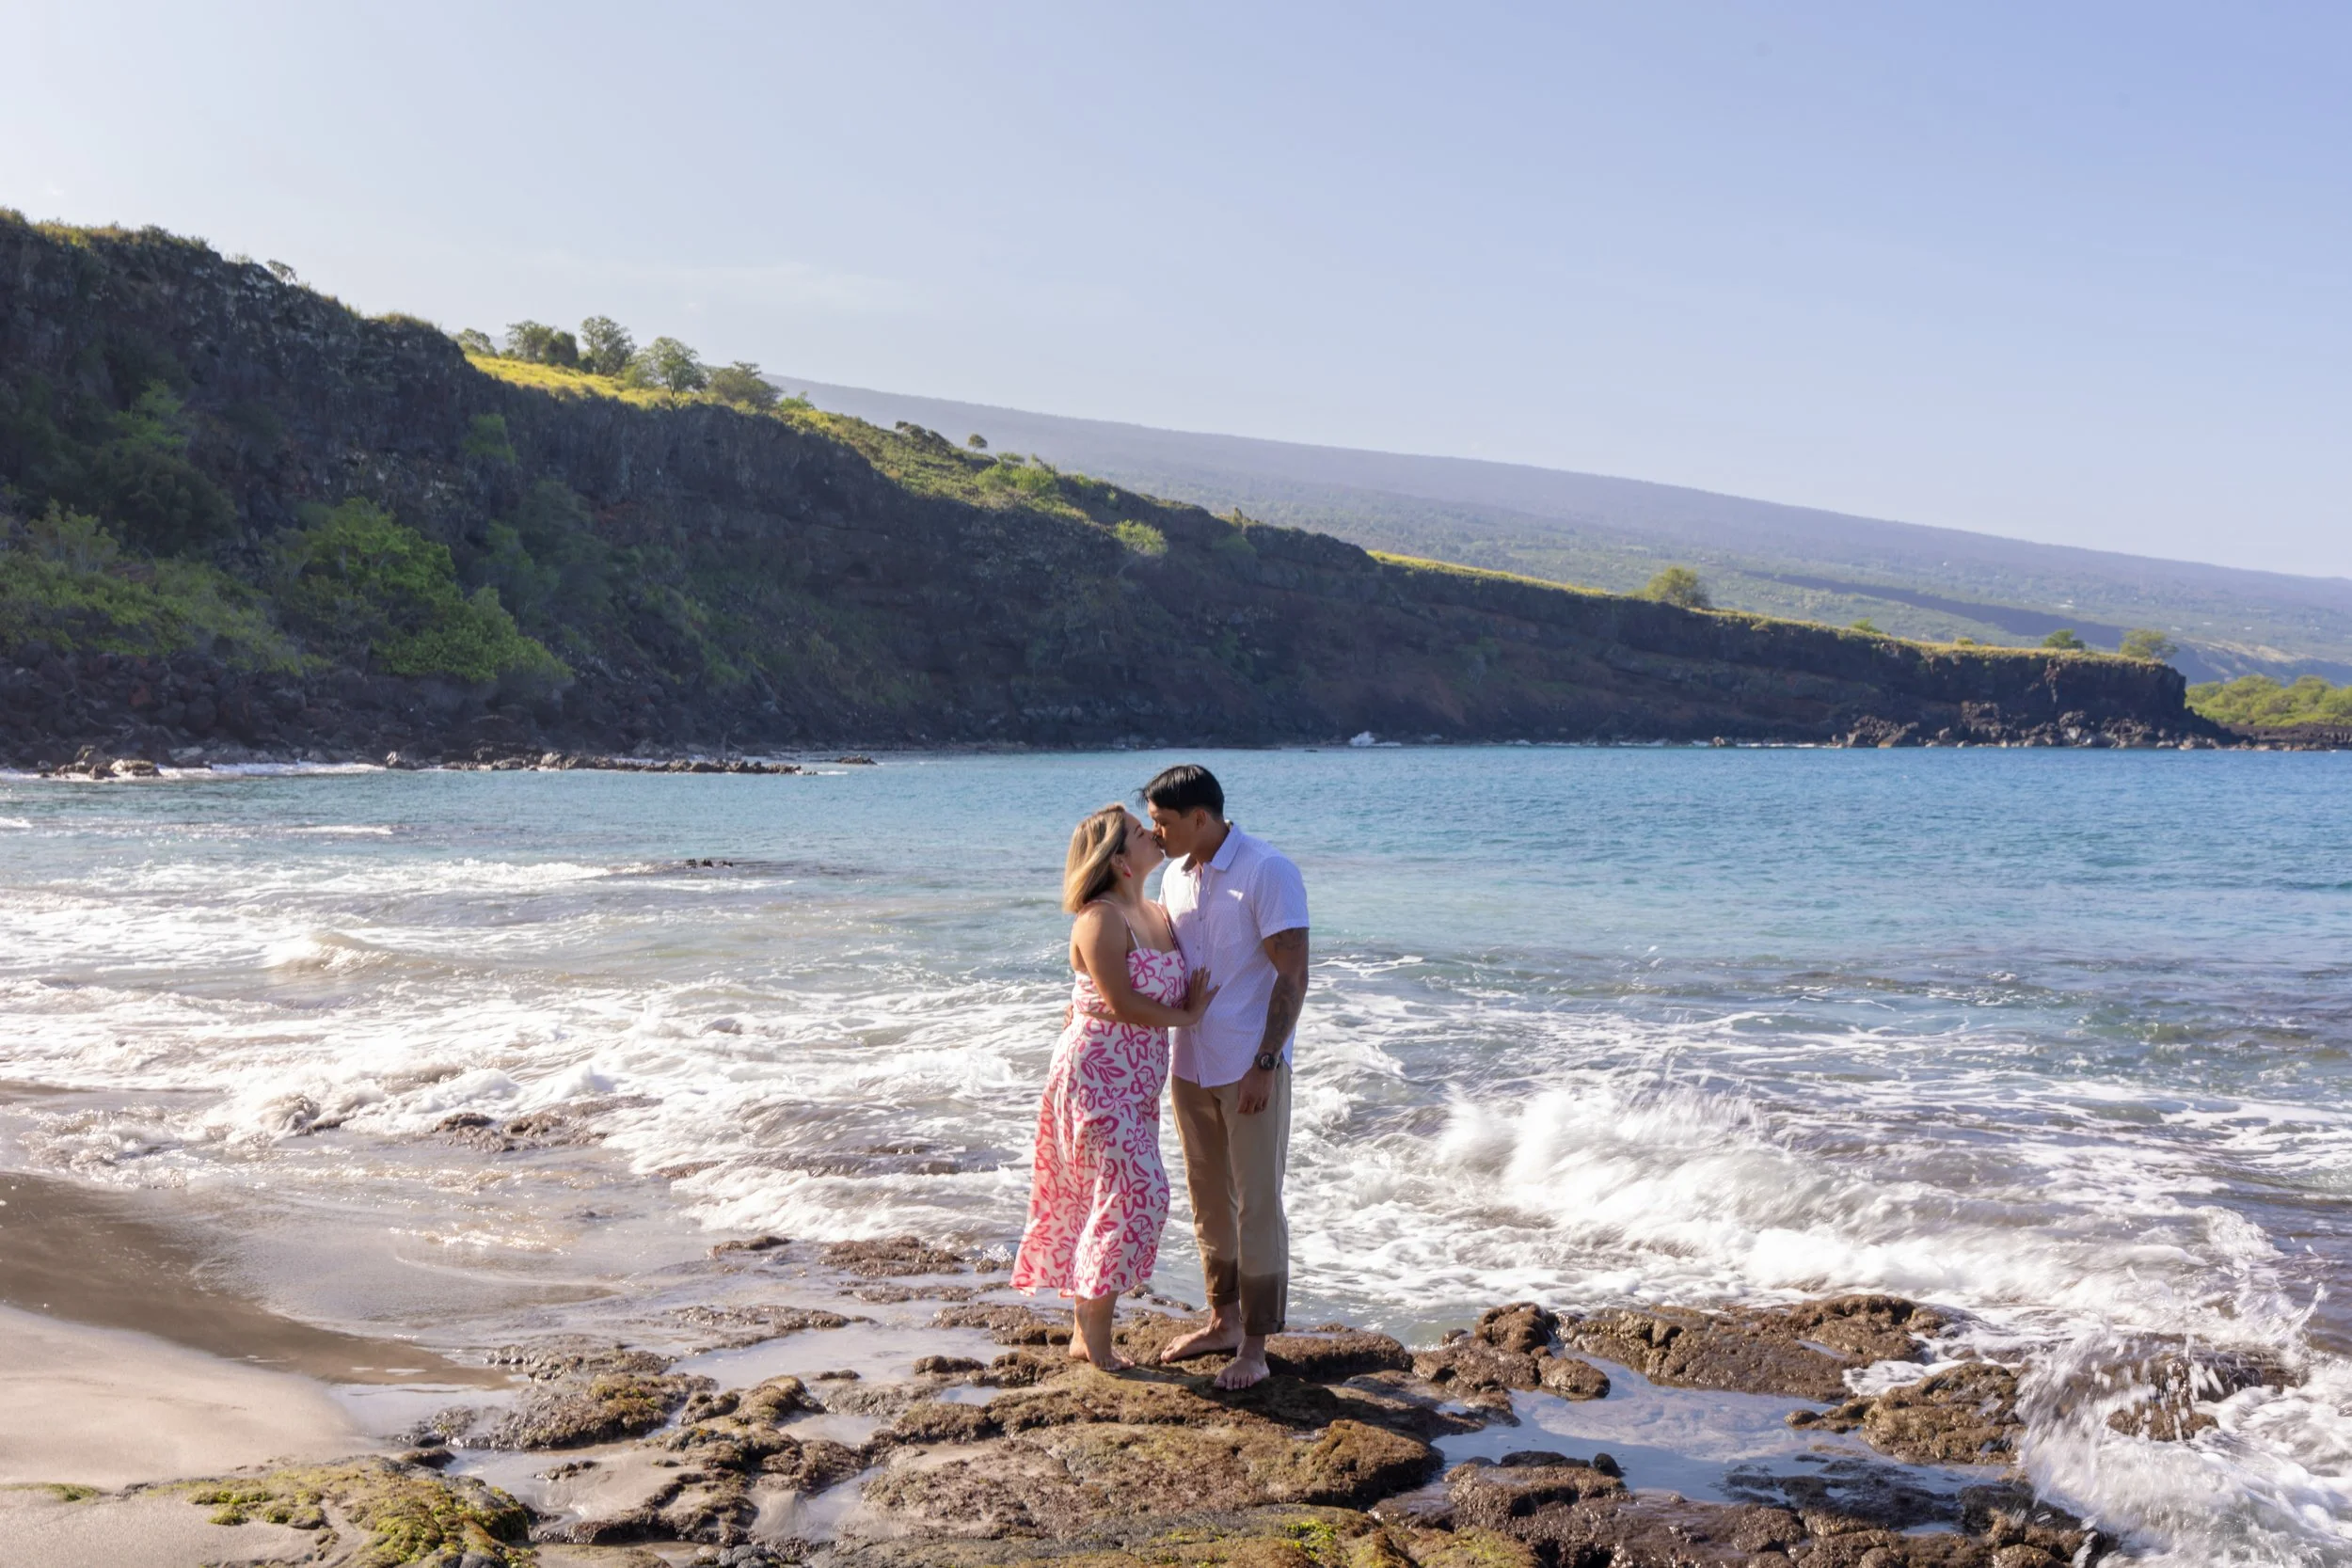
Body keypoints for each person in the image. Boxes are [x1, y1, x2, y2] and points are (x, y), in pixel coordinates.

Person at [1011, 803, 1216, 1370]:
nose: (1152, 833)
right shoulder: (1100, 917)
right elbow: (1123, 1003)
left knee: (1117, 1198)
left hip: (1136, 1083)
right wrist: (1191, 1016)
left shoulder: (1153, 910)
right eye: (1137, 831)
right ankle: (1095, 1343)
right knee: (1136, 1196)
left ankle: (1086, 1331)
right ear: (1119, 859)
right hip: (1097, 1077)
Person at [1142, 765, 1310, 1390]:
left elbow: (1293, 974)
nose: (1155, 833)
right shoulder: (1174, 878)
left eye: (1163, 821)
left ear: (1201, 818)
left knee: (1258, 1205)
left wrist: (1267, 1061)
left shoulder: (1267, 870)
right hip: (1190, 1065)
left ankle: (1257, 1346)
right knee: (1210, 1203)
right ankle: (1224, 1321)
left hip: (1249, 1065)